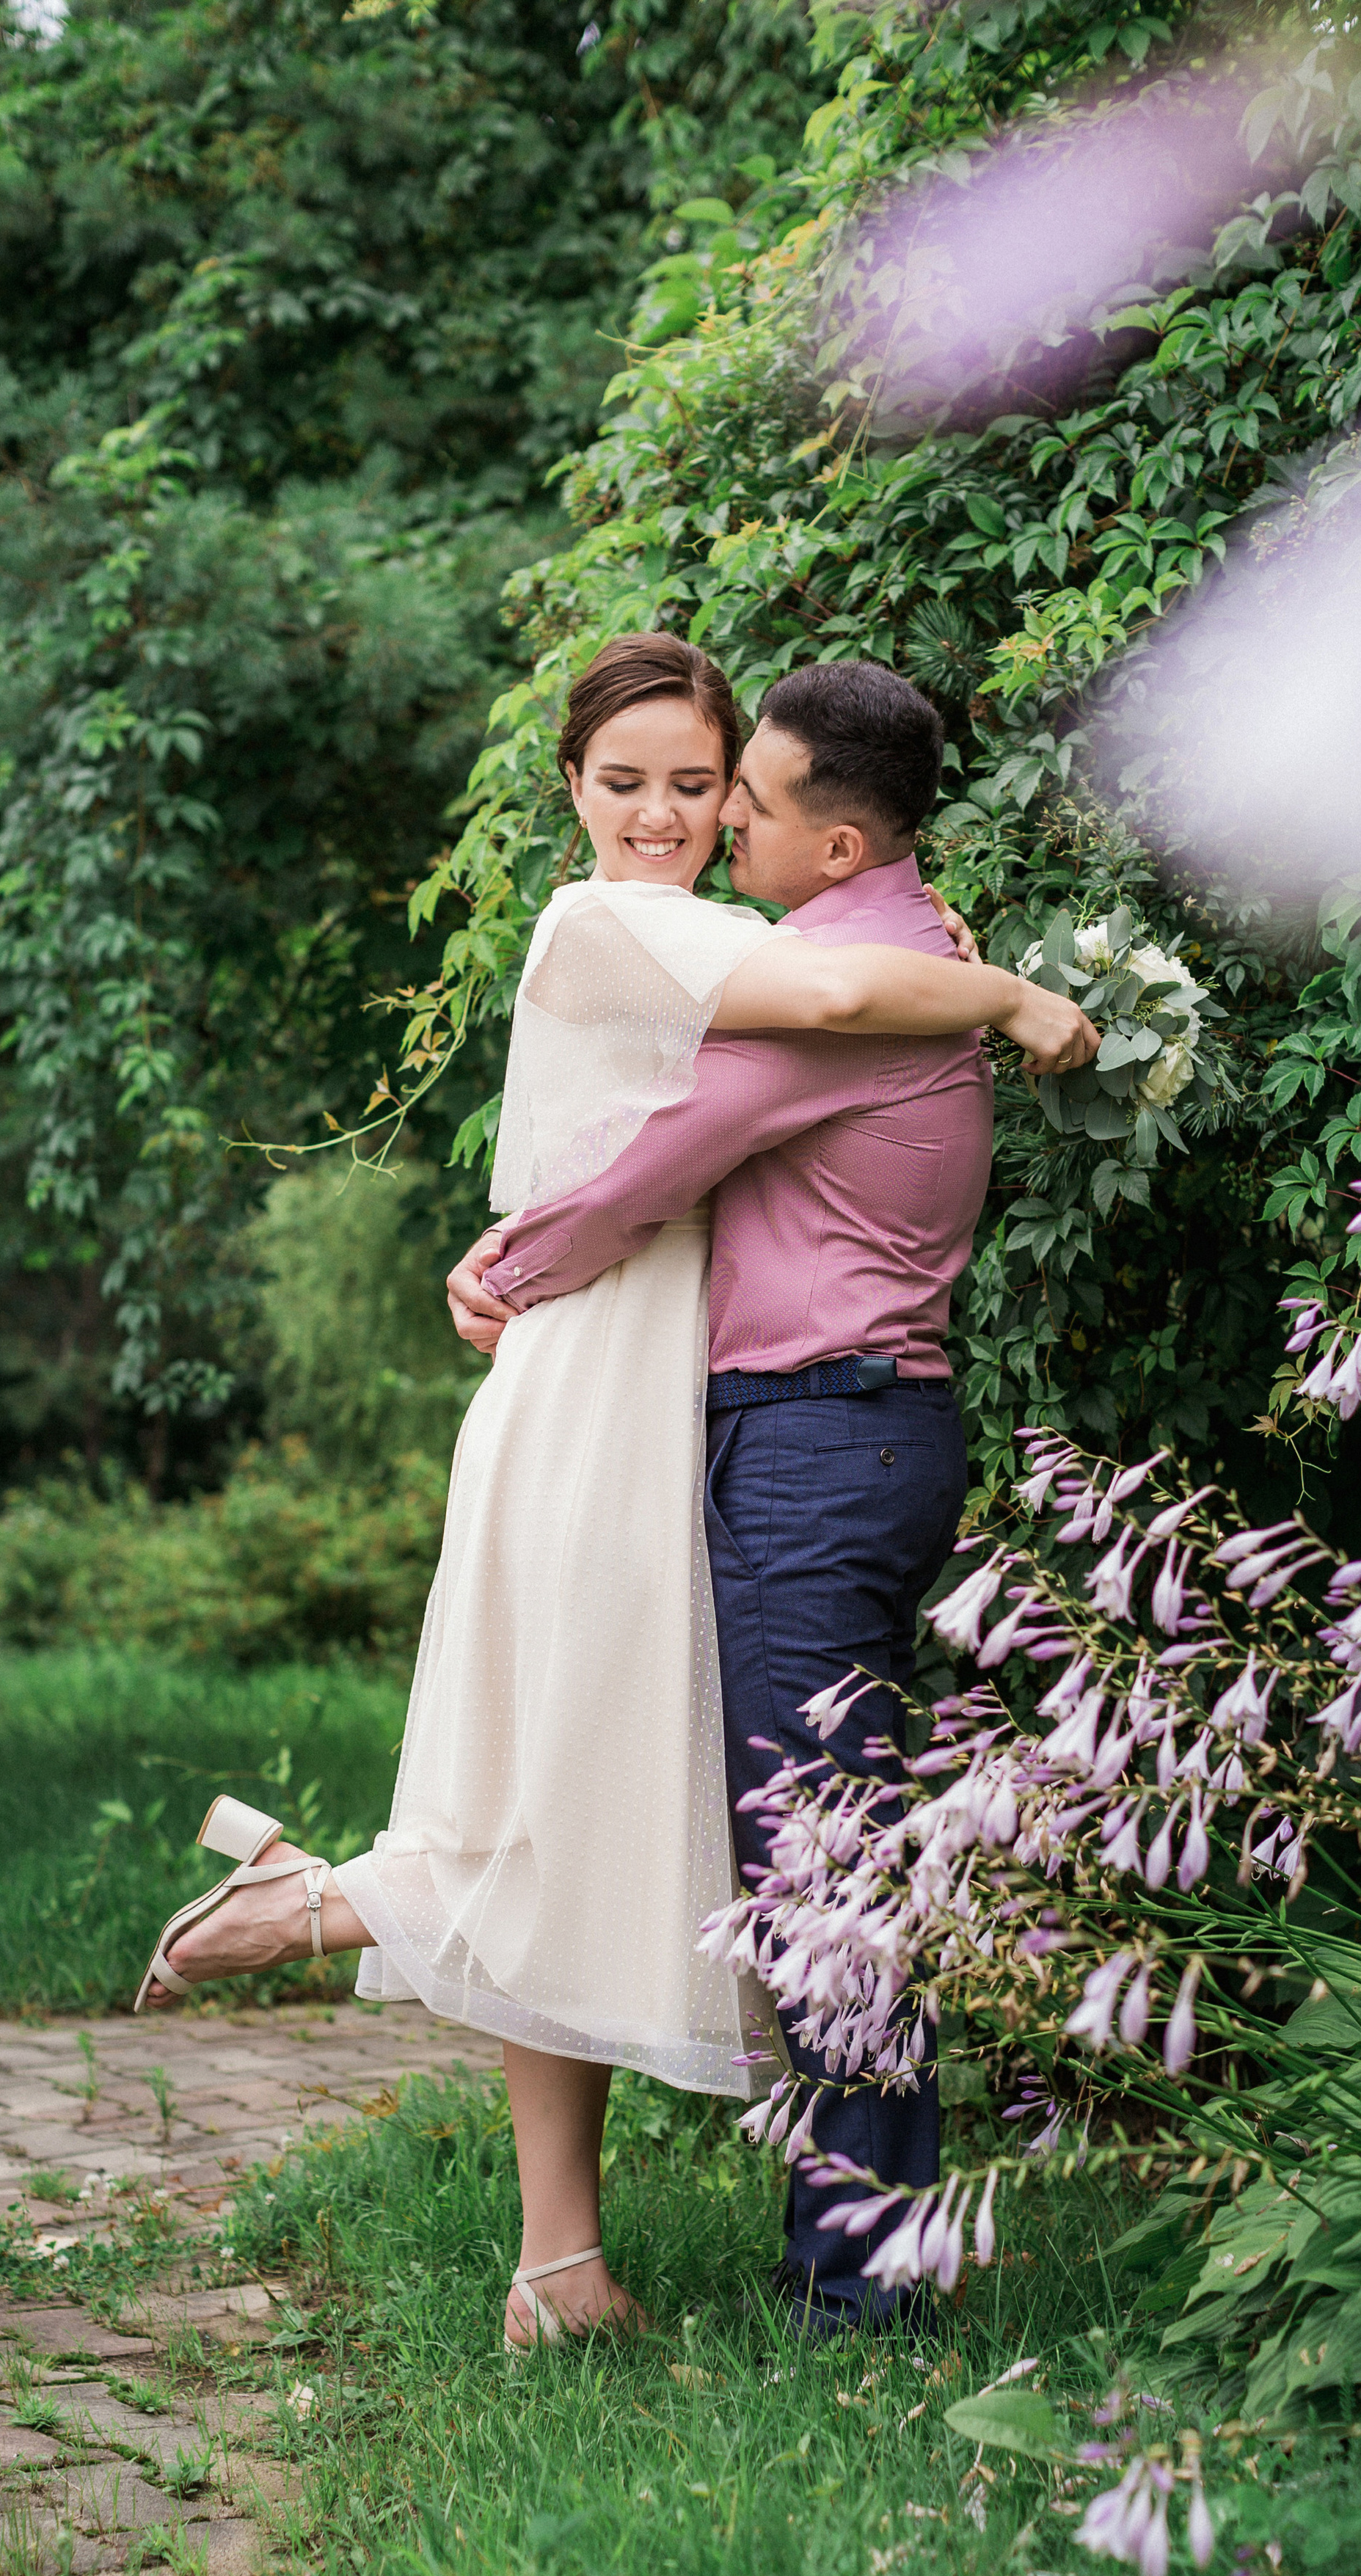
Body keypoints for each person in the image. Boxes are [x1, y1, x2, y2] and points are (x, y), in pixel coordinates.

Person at [136, 633, 1096, 2349]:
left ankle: (542, 2213)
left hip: (707, 1399)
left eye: (702, 784)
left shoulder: (786, 938)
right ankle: (374, 1943)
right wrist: (1001, 989)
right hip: (607, 1387)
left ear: (763, 799)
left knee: (648, 1797)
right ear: (569, 790)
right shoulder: (631, 926)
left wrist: (939, 955)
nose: (673, 815)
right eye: (625, 782)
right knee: (599, 1772)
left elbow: (799, 1016)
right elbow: (725, 1094)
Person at [450, 654, 1100, 2335]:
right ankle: (859, 2251)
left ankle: (863, 2287)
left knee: (824, 1861)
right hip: (858, 1432)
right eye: (660, 788)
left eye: (735, 799)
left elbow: (648, 1168)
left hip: (815, 1438)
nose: (709, 821)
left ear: (828, 840)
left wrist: (502, 1269)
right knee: (840, 1844)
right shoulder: (902, 941)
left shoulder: (836, 977)